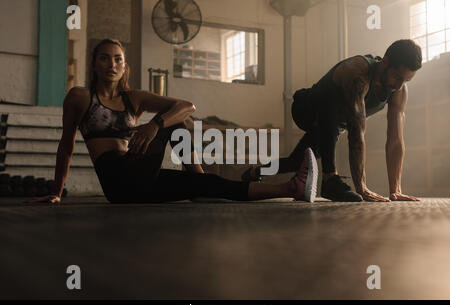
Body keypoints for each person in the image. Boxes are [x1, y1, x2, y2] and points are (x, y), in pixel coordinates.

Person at [27, 38, 319, 204]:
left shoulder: (134, 99)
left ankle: (291, 188)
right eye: (104, 58)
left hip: (140, 178)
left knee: (213, 185)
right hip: (118, 180)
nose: (111, 65)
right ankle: (199, 179)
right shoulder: (80, 97)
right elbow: (66, 146)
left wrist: (154, 125)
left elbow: (187, 106)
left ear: (125, 66)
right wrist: (56, 192)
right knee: (177, 125)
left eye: (117, 59)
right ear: (94, 63)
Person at [242, 39, 422, 203]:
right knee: (332, 107)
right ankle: (330, 179)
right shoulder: (358, 73)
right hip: (307, 107)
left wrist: (395, 190)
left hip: (331, 125)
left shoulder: (398, 91)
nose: (399, 86)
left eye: (406, 81)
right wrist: (362, 188)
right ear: (386, 62)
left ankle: (256, 171)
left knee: (295, 162)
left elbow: (395, 140)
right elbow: (356, 133)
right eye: (397, 77)